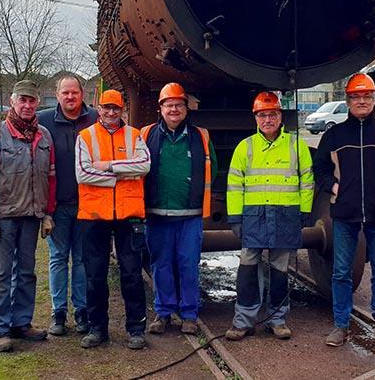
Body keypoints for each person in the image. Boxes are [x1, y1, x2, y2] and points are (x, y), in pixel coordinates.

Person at [0, 75, 95, 336]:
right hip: (33, 209)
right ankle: (54, 315)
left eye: (74, 93)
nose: (70, 97)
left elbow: (117, 128)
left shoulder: (91, 120)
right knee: (50, 260)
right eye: (65, 92)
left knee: (74, 261)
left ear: (82, 95)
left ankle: (76, 312)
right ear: (57, 95)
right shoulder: (36, 124)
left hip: (80, 205)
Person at [312, 73, 375, 349]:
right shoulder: (334, 136)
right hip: (344, 215)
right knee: (341, 271)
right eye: (356, 97)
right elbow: (319, 169)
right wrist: (333, 188)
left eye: (366, 96)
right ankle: (341, 325)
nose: (361, 101)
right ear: (347, 101)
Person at [0, 80, 56, 353]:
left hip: (32, 215)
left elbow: (50, 177)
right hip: (4, 217)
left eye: (32, 101)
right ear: (12, 101)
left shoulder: (44, 135)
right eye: (23, 100)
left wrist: (48, 213)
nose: (28, 105)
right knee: (0, 273)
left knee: (26, 272)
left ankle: (21, 322)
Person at [223, 91, 314, 341]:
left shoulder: (296, 145)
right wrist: (236, 218)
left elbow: (307, 181)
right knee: (247, 269)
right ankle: (243, 321)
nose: (267, 119)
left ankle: (277, 320)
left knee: (280, 271)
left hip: (284, 216)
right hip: (253, 217)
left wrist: (304, 211)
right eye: (262, 115)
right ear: (256, 118)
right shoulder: (246, 147)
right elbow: (234, 185)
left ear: (280, 116)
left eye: (272, 114)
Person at [73, 89, 152, 350]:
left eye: (115, 108)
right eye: (106, 108)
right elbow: (83, 173)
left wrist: (108, 166)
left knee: (131, 273)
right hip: (94, 215)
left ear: (123, 110)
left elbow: (144, 165)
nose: (110, 112)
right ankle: (97, 329)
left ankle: (136, 329)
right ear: (98, 108)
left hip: (128, 215)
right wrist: (121, 175)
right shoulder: (85, 137)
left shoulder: (134, 135)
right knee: (95, 275)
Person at [142, 83, 215, 337]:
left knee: (188, 264)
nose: (174, 109)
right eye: (169, 105)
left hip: (190, 215)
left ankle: (189, 315)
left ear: (186, 108)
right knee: (160, 264)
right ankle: (163, 313)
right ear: (160, 108)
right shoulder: (146, 134)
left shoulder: (201, 136)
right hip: (156, 214)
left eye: (178, 105)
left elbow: (211, 169)